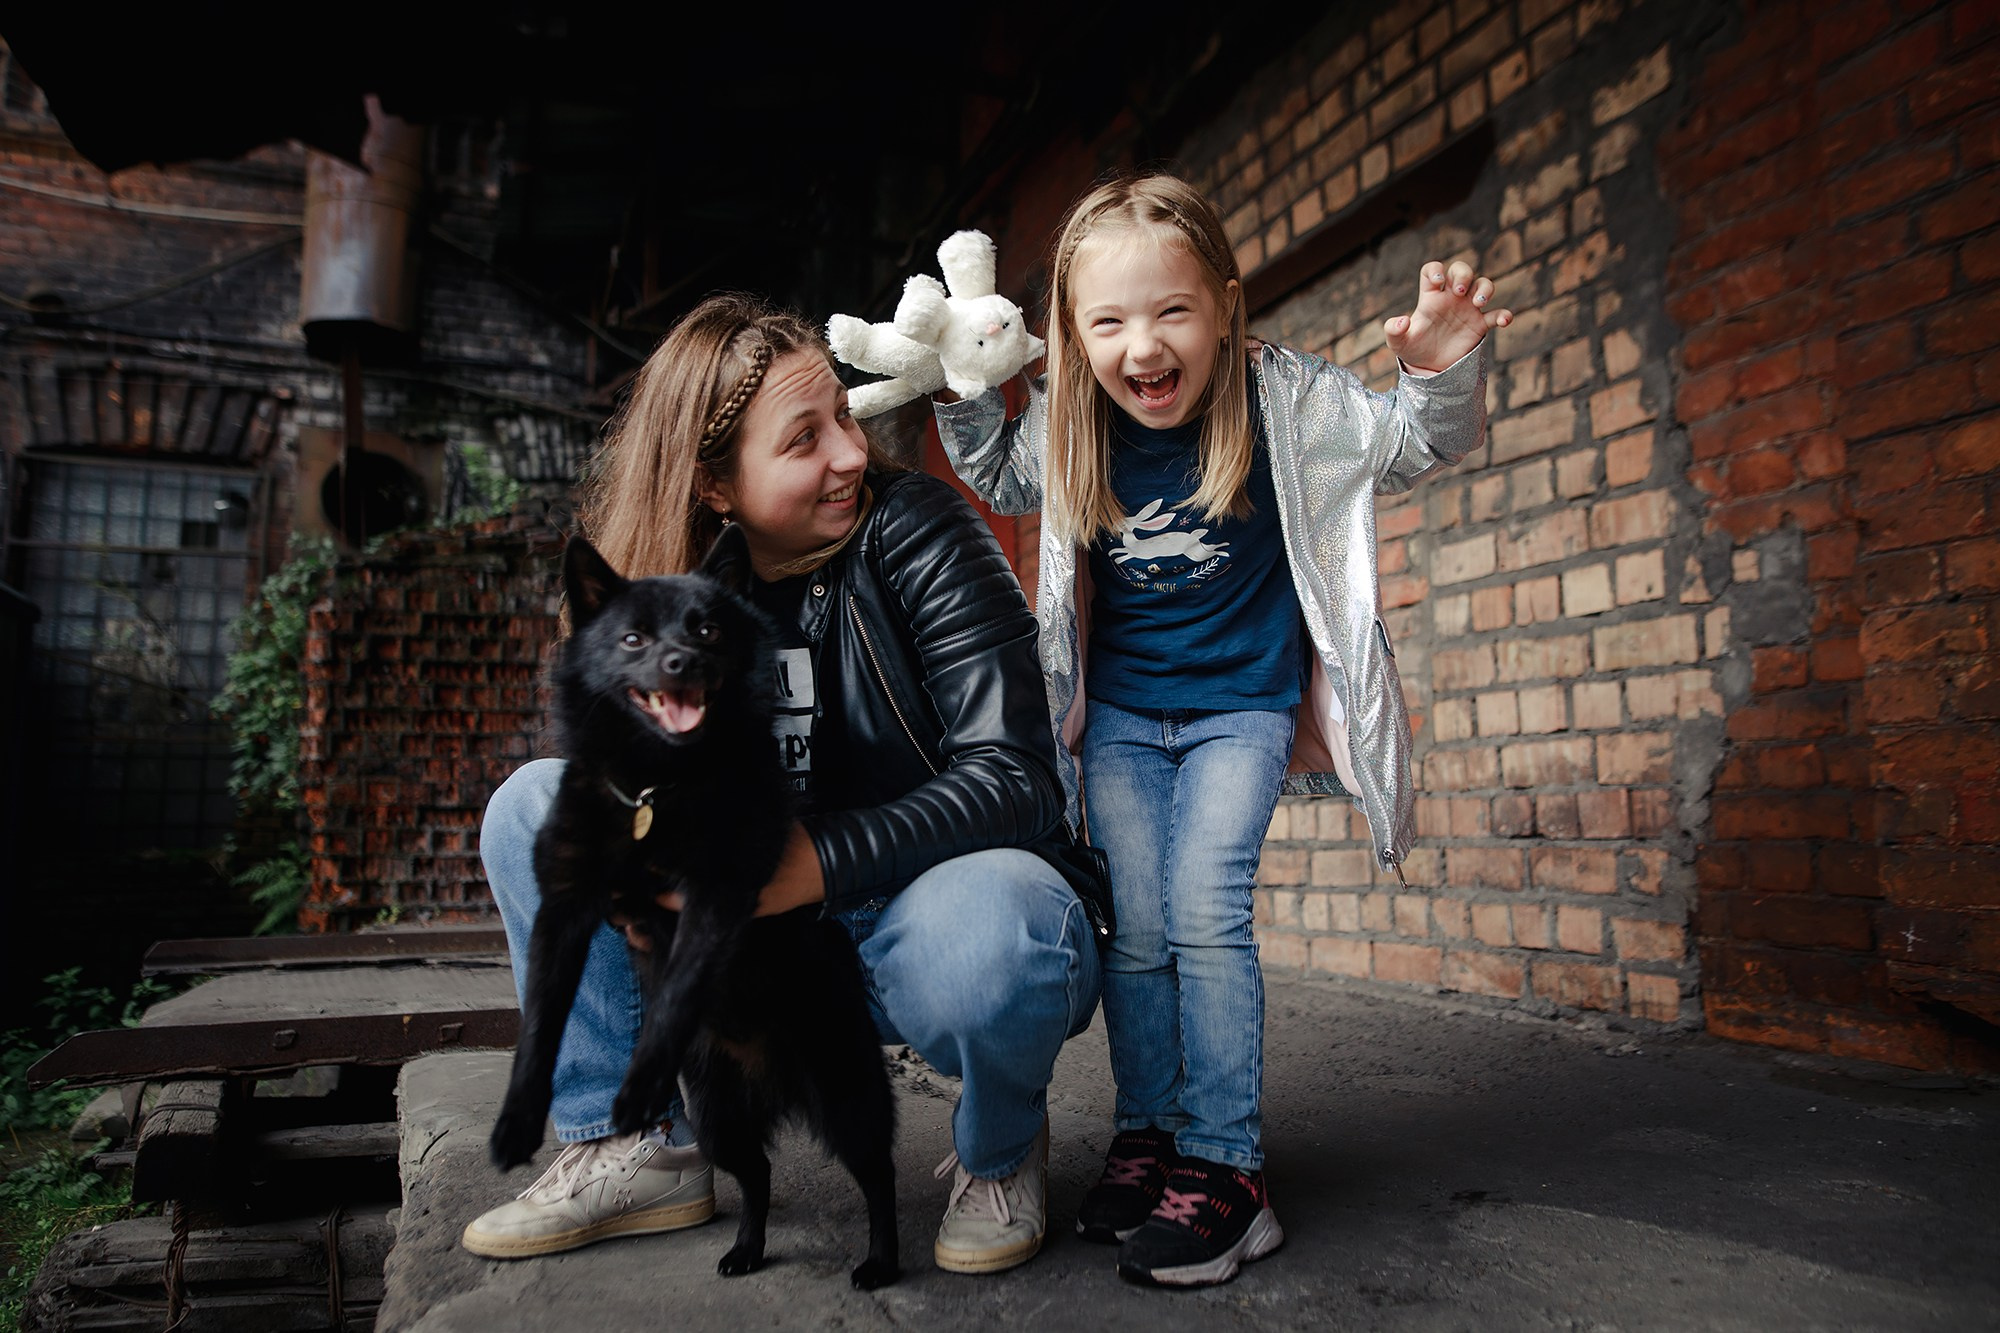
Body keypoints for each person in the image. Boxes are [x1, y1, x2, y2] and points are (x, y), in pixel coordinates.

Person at [932, 172, 1509, 1288]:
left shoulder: (1285, 399)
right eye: (1107, 322)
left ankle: (1228, 1168)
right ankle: (1150, 1136)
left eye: (1171, 312)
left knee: (1203, 911)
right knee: (1137, 931)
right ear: (1071, 335)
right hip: (1121, 717)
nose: (1141, 345)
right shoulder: (1072, 416)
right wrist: (964, 383)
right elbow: (997, 473)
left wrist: (1440, 370)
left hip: (1241, 708)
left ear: (1226, 308)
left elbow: (1409, 444)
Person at [464, 294, 1107, 1276]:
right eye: (804, 438)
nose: (850, 454)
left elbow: (1019, 779)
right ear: (714, 486)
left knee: (1001, 926)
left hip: (913, 920)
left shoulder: (918, 528)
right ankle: (636, 1144)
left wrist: (814, 862)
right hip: (748, 953)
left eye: (842, 416)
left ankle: (1000, 1143)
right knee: (530, 809)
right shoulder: (662, 597)